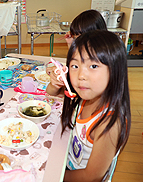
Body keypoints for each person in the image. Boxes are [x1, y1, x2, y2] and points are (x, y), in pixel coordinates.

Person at [47, 30, 131, 181]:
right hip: (68, 163)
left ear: (115, 70)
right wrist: (55, 82)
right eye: (75, 66)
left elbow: (91, 177)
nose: (81, 76)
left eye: (93, 66)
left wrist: (52, 175)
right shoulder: (85, 95)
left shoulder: (109, 124)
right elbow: (51, 93)